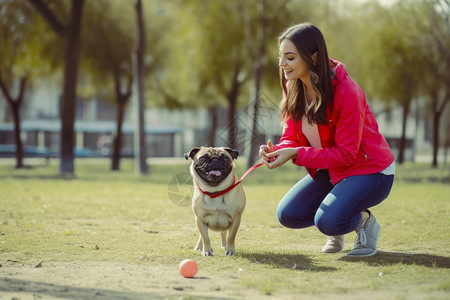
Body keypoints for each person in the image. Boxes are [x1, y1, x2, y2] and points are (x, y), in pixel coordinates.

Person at [259, 22, 395, 257]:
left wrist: (296, 153)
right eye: (281, 56)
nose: (282, 64)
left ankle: (363, 220)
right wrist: (280, 150)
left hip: (370, 171)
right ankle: (338, 213)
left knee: (328, 222)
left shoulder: (346, 91)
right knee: (288, 214)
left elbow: (347, 153)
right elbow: (291, 136)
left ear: (313, 57)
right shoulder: (292, 86)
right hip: (332, 170)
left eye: (290, 58)